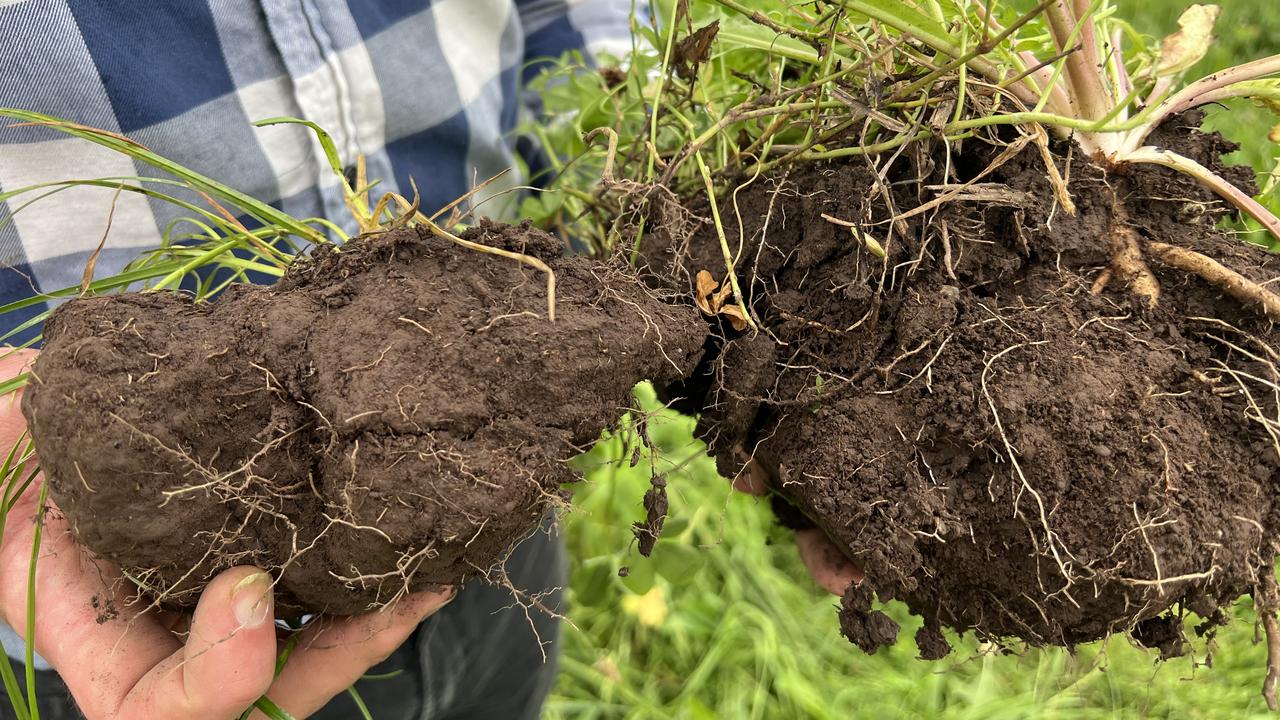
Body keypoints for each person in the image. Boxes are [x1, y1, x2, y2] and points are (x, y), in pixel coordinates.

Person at [0, 1, 860, 718]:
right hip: (105, 604)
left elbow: (572, 15)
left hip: (496, 518)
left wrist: (663, 195)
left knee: (501, 678)